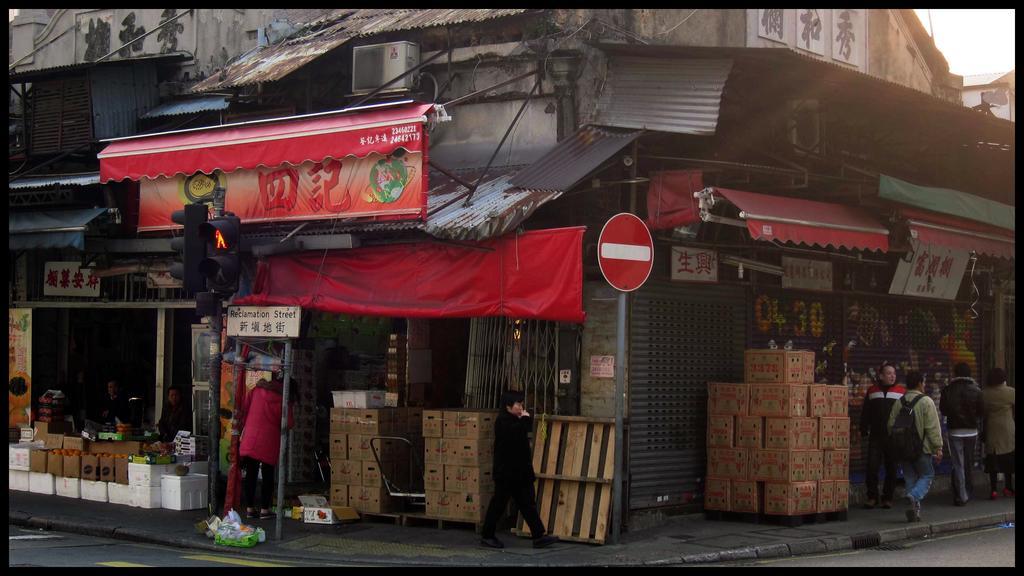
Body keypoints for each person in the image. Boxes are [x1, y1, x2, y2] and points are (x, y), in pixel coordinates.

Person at [480, 390, 558, 549]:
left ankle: (538, 535)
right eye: (518, 404)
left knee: (527, 503)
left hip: (520, 473)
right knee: (499, 505)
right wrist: (525, 420)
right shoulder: (503, 421)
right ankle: (487, 535)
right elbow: (517, 434)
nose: (521, 407)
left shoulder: (515, 420)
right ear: (508, 406)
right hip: (507, 474)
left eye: (521, 404)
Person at [888, 370, 943, 523]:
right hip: (922, 449)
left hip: (903, 449)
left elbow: (890, 425)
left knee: (910, 478)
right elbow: (933, 428)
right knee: (927, 475)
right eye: (923, 382)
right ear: (920, 383)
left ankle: (914, 512)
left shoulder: (900, 401)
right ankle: (913, 497)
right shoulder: (926, 402)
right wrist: (938, 447)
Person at [238, 376, 293, 520]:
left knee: (251, 474)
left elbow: (244, 408)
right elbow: (289, 422)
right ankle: (264, 510)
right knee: (268, 475)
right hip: (269, 440)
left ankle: (249, 509)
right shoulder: (284, 397)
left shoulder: (256, 390)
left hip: (251, 437)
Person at [859, 362, 905, 509]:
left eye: (894, 373)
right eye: (889, 373)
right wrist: (863, 427)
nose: (892, 376)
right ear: (881, 376)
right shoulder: (872, 391)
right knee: (872, 467)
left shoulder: (900, 391)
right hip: (876, 435)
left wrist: (903, 429)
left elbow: (906, 412)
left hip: (893, 436)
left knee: (891, 467)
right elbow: (866, 411)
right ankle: (872, 496)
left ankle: (888, 498)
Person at [939, 362, 985, 506]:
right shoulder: (977, 390)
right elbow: (982, 411)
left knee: (957, 463)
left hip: (954, 431)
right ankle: (968, 490)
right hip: (972, 431)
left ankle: (961, 495)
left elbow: (944, 410)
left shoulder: (948, 390)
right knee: (969, 461)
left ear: (955, 373)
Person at [981, 367, 1015, 499]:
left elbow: (981, 411)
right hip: (1007, 429)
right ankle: (1008, 488)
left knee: (993, 459)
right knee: (1008, 459)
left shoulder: (984, 394)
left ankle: (993, 490)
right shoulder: (1011, 392)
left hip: (991, 428)